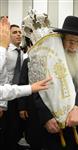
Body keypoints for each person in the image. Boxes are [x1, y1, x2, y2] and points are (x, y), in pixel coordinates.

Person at [18, 14, 78, 150]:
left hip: (75, 121)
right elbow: (37, 89)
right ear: (61, 38)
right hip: (52, 123)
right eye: (70, 41)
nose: (73, 46)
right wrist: (46, 117)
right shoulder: (46, 56)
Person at [0, 16, 52, 150]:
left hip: (20, 93)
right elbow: (2, 77)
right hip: (6, 96)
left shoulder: (24, 55)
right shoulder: (3, 52)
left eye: (19, 32)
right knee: (6, 126)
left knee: (17, 126)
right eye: (14, 32)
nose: (18, 34)